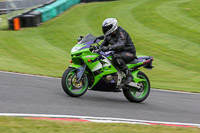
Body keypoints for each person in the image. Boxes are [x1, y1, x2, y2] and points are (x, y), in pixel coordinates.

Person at [100, 18, 136, 85]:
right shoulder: (108, 35)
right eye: (105, 28)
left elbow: (121, 44)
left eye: (108, 28)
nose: (106, 30)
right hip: (119, 52)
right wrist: (96, 48)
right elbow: (103, 45)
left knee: (116, 57)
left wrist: (108, 48)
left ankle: (128, 75)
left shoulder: (121, 32)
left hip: (129, 52)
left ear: (113, 26)